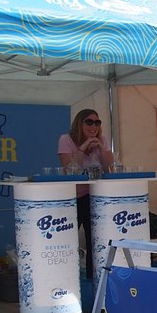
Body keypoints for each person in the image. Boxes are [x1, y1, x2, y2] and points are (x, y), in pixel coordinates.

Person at [58, 108, 115, 280]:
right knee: (67, 239)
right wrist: (83, 147)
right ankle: (65, 280)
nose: (93, 126)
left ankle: (93, 281)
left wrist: (102, 149)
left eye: (97, 122)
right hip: (72, 198)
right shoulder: (66, 139)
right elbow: (70, 170)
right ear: (79, 123)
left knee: (94, 240)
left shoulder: (102, 140)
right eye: (89, 122)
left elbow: (109, 169)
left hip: (95, 197)